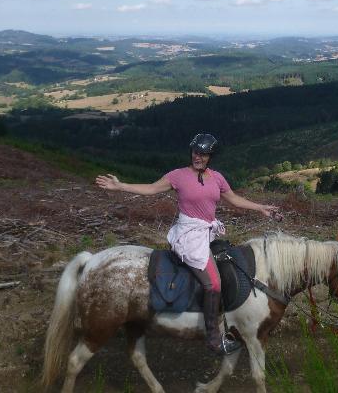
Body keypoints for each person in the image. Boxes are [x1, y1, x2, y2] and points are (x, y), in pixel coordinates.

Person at [95, 133, 279, 355]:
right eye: (195, 152)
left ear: (210, 156)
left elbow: (234, 198)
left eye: (202, 154)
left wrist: (260, 207)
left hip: (206, 234)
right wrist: (120, 186)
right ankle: (213, 339)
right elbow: (152, 189)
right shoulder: (178, 176)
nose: (197, 157)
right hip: (189, 237)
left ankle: (227, 318)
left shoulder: (217, 178)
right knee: (214, 284)